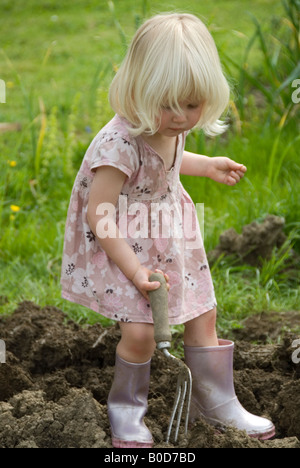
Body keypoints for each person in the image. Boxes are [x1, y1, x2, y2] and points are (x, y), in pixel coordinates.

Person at [61, 13, 275, 447]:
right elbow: (98, 214)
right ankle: (127, 408)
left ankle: (214, 402)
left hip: (170, 237)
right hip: (123, 244)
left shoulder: (169, 125)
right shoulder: (117, 145)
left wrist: (207, 166)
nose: (180, 118)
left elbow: (169, 164)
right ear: (138, 89)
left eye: (192, 105)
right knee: (140, 333)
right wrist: (136, 271)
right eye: (168, 105)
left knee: (203, 311)